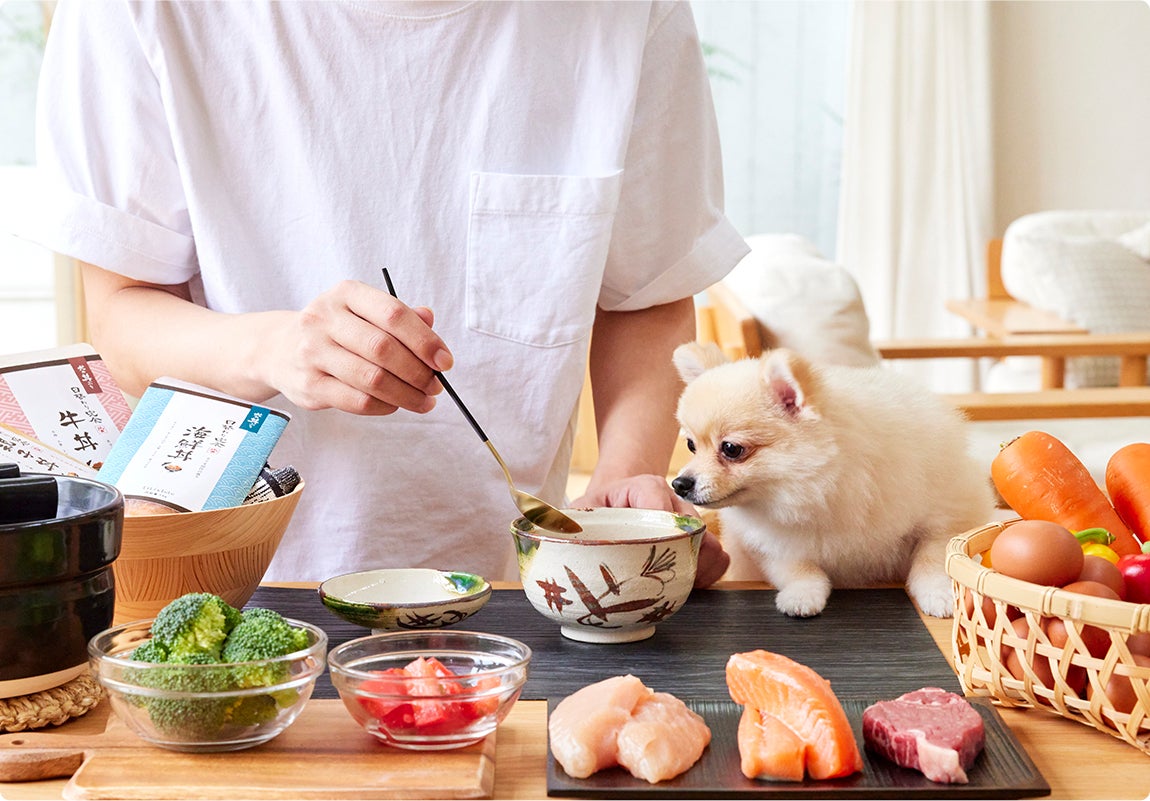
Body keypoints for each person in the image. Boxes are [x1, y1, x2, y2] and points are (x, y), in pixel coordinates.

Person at [32, 1, 749, 586]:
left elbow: (647, 295)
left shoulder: (627, 15)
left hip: (511, 595)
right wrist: (277, 348)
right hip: (228, 585)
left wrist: (621, 488)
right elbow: (123, 310)